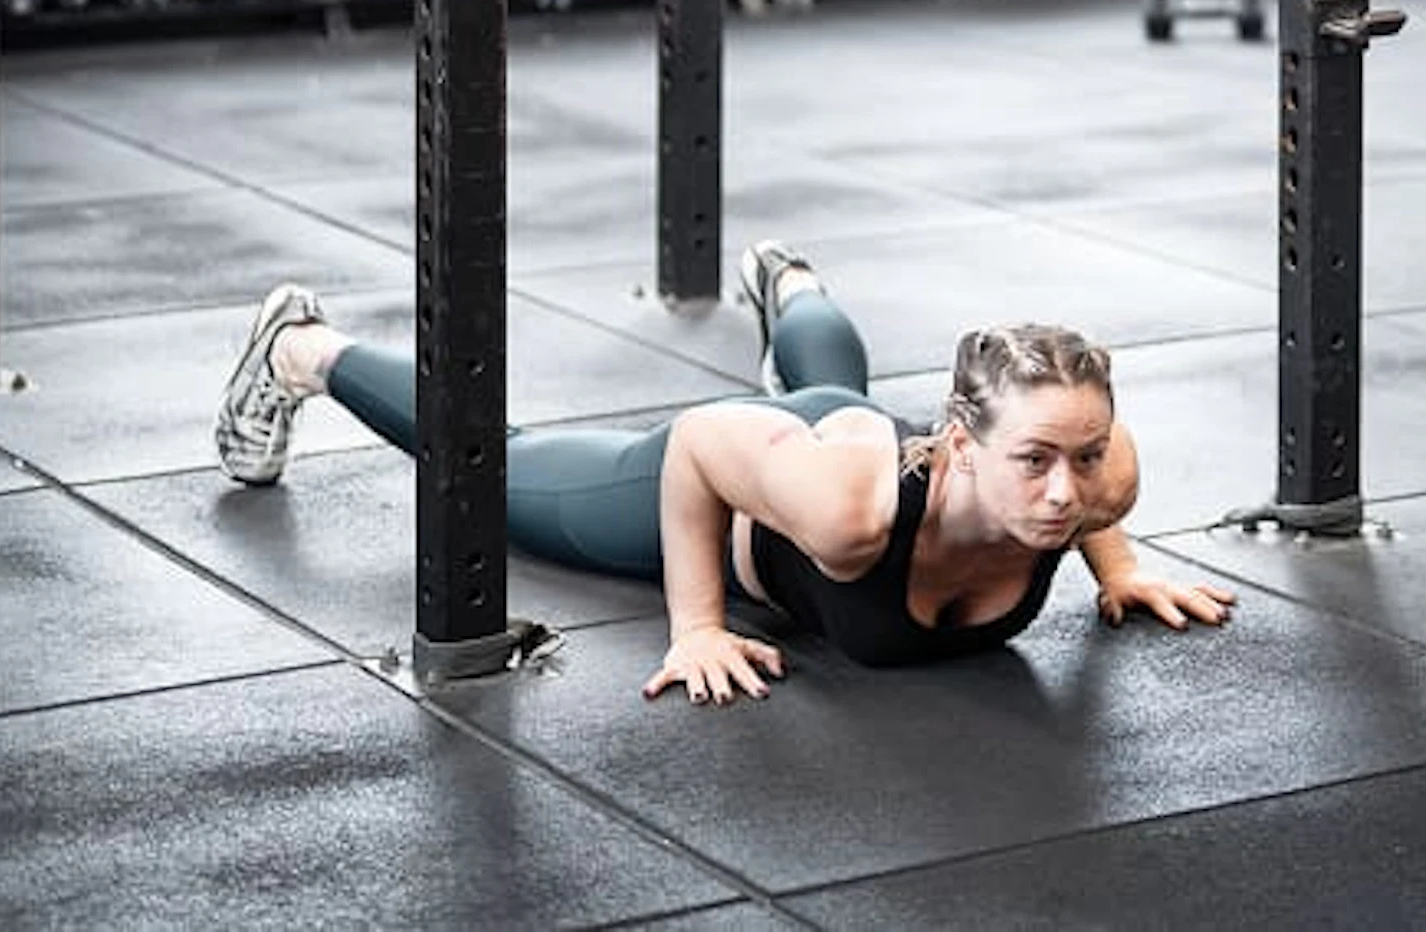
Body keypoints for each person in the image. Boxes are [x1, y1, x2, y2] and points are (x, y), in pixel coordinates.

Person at [212, 241, 1236, 705]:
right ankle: (300, 346)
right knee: (500, 474)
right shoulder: (853, 517)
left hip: (845, 439)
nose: (1066, 491)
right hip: (766, 481)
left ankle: (789, 281)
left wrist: (1118, 570)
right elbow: (704, 442)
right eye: (1037, 461)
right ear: (962, 443)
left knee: (833, 388)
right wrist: (698, 626)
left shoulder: (1098, 475)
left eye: (1084, 457)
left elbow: (1074, 477)